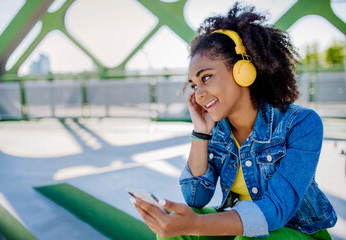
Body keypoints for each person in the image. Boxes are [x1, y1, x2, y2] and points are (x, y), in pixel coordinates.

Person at [131, 2, 337, 239]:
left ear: (243, 69)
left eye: (206, 77)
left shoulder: (301, 124)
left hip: (295, 232)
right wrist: (201, 133)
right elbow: (196, 198)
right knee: (176, 232)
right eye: (194, 85)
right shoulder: (219, 130)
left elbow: (276, 211)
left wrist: (197, 224)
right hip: (242, 228)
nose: (199, 93)